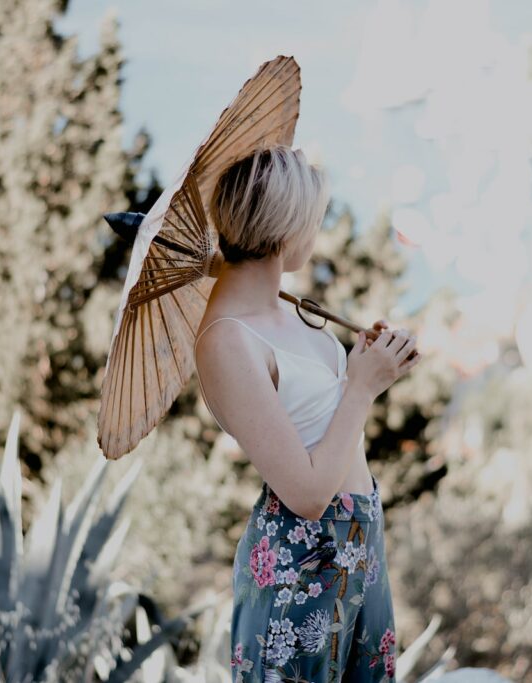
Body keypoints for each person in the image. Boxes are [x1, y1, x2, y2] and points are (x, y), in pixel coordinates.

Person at [193, 144, 421, 682]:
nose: (315, 234)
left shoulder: (283, 304)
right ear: (284, 230)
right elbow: (308, 493)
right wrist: (362, 388)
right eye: (312, 221)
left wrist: (370, 362)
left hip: (360, 539)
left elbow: (323, 414)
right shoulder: (227, 340)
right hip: (302, 563)